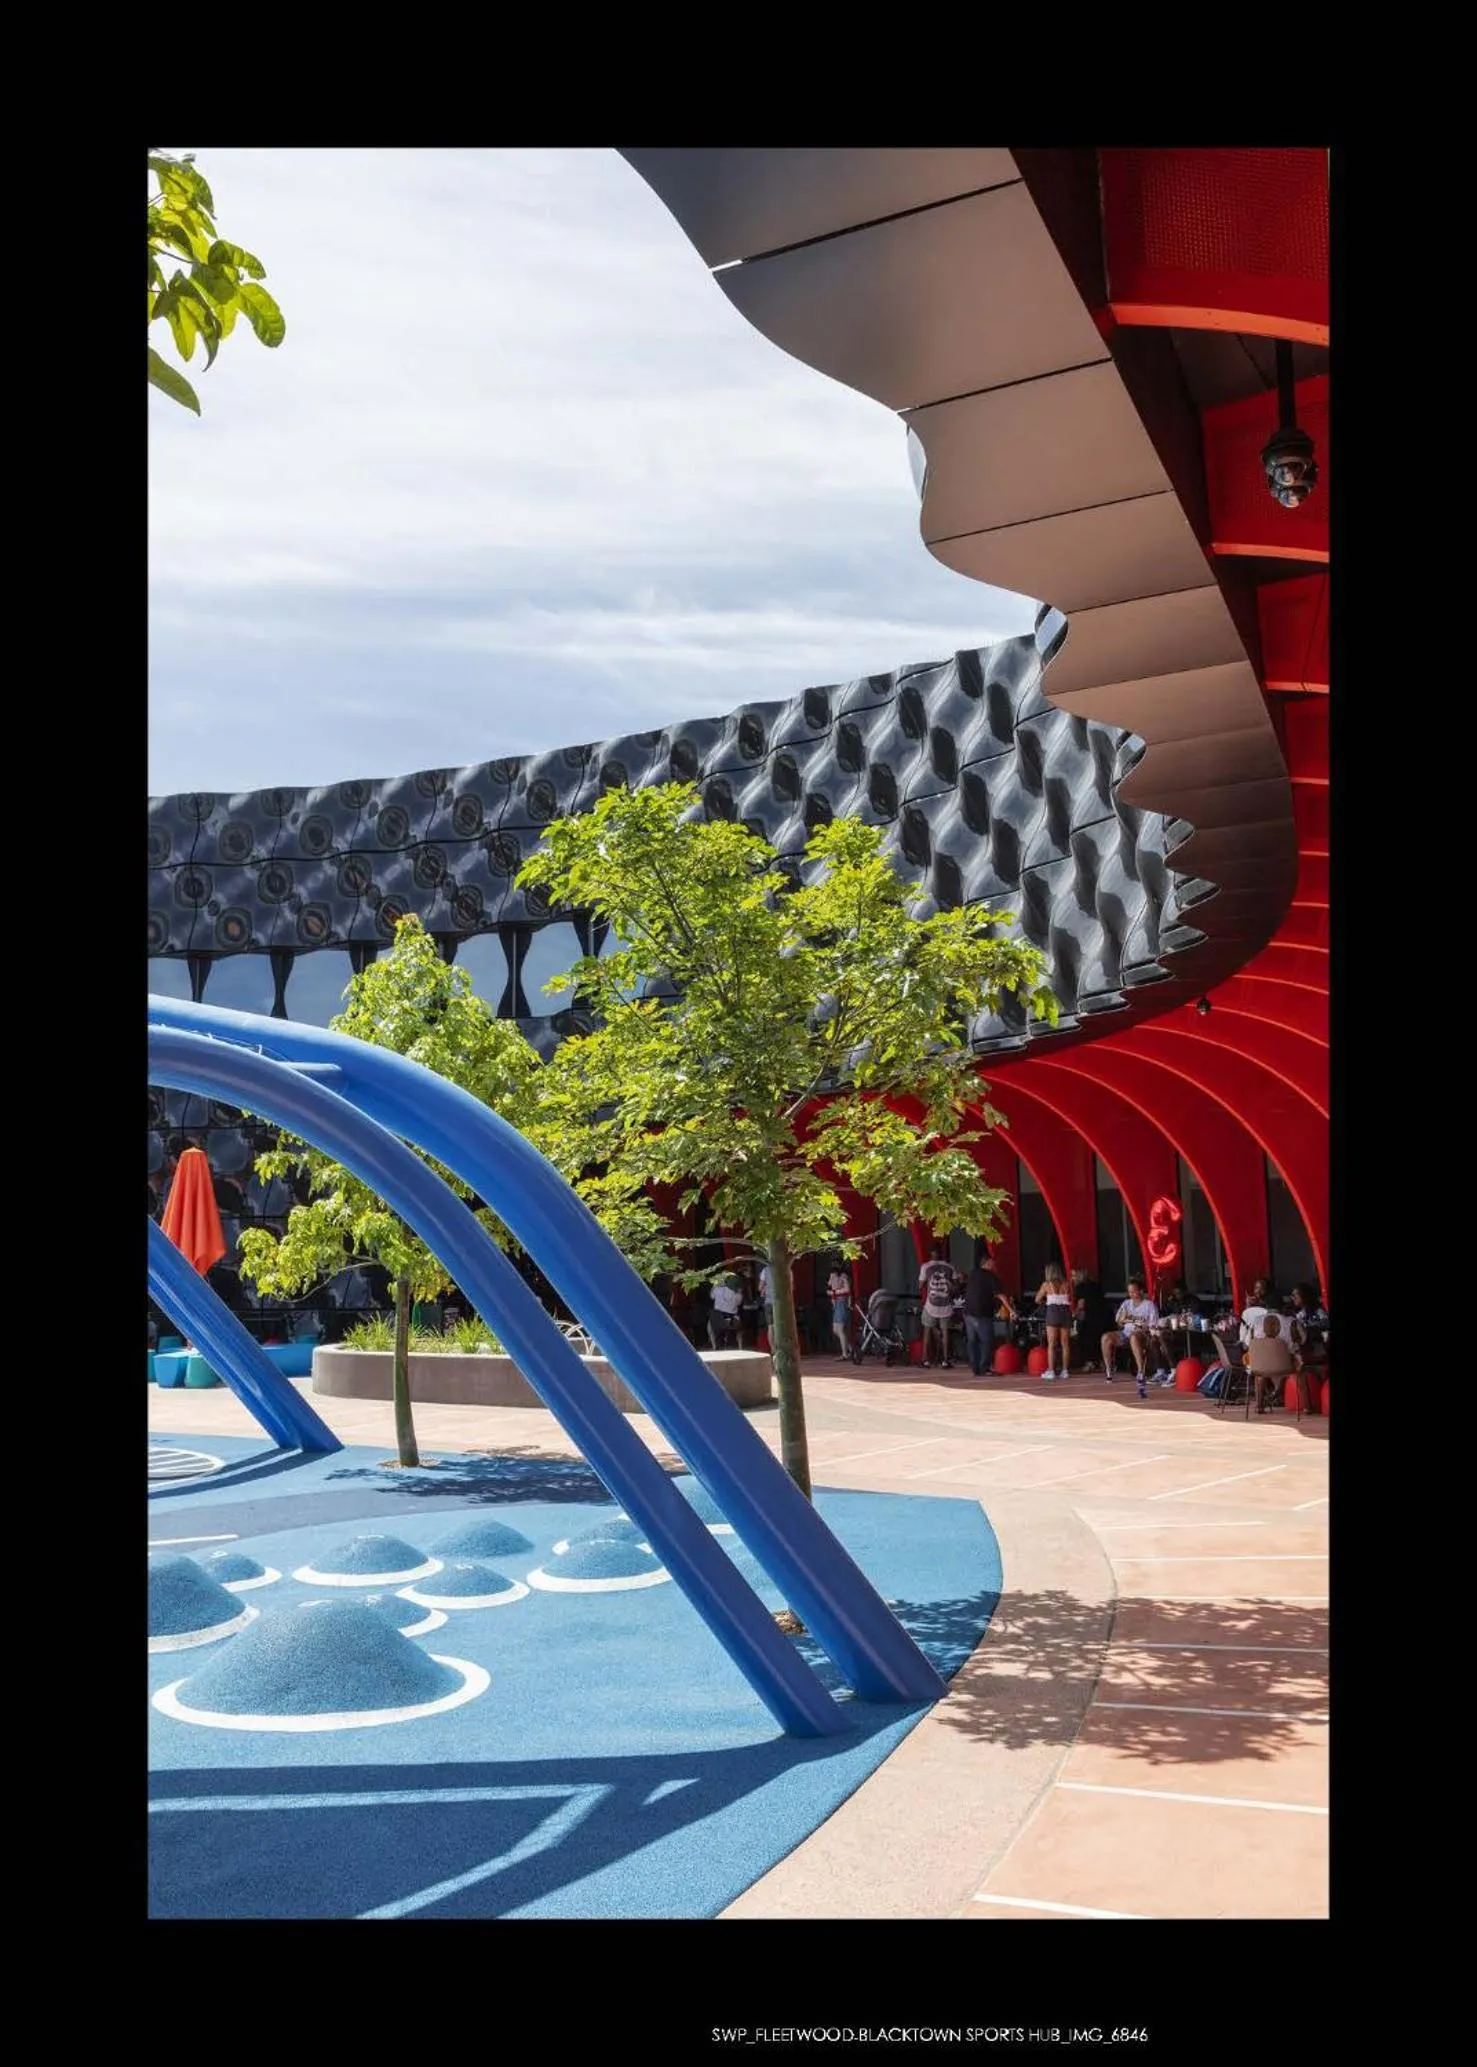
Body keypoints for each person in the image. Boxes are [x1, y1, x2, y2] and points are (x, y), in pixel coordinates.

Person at [1101, 1276, 1163, 1388]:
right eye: (1129, 1292)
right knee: (1106, 1337)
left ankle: (1141, 1371)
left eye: (1134, 1291)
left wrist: (1128, 1319)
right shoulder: (1126, 1303)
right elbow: (1119, 1321)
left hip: (1142, 1334)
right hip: (1125, 1332)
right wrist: (1128, 1320)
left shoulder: (1149, 1305)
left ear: (1141, 1291)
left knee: (1134, 1337)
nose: (1131, 1294)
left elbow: (1151, 1324)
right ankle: (1109, 1371)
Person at [962, 1248, 1010, 1378]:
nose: (994, 1264)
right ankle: (984, 1368)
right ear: (987, 1262)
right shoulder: (990, 1277)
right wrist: (1011, 1310)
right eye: (992, 1262)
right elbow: (1001, 1295)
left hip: (968, 1312)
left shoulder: (973, 1273)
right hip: (982, 1313)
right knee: (986, 1341)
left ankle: (975, 1368)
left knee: (972, 1341)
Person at [917, 1243, 958, 1369]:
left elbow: (920, 1286)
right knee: (945, 1333)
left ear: (930, 1253)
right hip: (946, 1305)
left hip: (931, 1304)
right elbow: (956, 1286)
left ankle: (925, 1360)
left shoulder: (926, 1267)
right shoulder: (950, 1267)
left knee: (927, 1331)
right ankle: (945, 1360)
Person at [1246, 1311, 1295, 1413]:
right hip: (1285, 1366)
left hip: (1260, 1367)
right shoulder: (1291, 1322)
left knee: (1259, 1374)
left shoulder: (1255, 1322)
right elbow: (1300, 1342)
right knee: (1299, 1367)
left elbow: (1247, 1343)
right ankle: (1307, 1407)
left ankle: (1260, 1405)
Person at [1035, 1260, 1073, 1380]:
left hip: (1053, 1312)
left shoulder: (1046, 1284)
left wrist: (1046, 1301)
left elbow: (1037, 1299)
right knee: (1065, 1344)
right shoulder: (1067, 1284)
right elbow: (1070, 1298)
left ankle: (1051, 1371)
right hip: (1065, 1312)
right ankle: (1065, 1371)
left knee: (1051, 1344)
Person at [1072, 1266, 1114, 1371]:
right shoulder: (1096, 1285)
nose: (1072, 1278)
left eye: (1074, 1276)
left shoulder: (1080, 1287)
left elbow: (1081, 1304)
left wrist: (1074, 1314)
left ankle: (1090, 1362)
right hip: (1105, 1315)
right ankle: (1103, 1362)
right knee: (1100, 1339)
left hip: (1091, 1316)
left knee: (1086, 1338)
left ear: (1079, 1276)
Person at [708, 1274, 742, 1350]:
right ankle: (740, 1346)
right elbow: (739, 1304)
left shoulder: (718, 1290)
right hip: (733, 1321)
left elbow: (711, 1296)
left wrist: (714, 1285)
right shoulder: (739, 1294)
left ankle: (714, 1346)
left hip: (719, 1321)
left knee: (709, 1326)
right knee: (739, 1325)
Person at [826, 1262, 852, 1358]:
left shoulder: (844, 1276)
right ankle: (850, 1349)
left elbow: (847, 1290)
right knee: (835, 1330)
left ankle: (845, 1353)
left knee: (840, 1329)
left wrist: (834, 1292)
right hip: (836, 1302)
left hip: (842, 1302)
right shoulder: (833, 1275)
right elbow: (829, 1285)